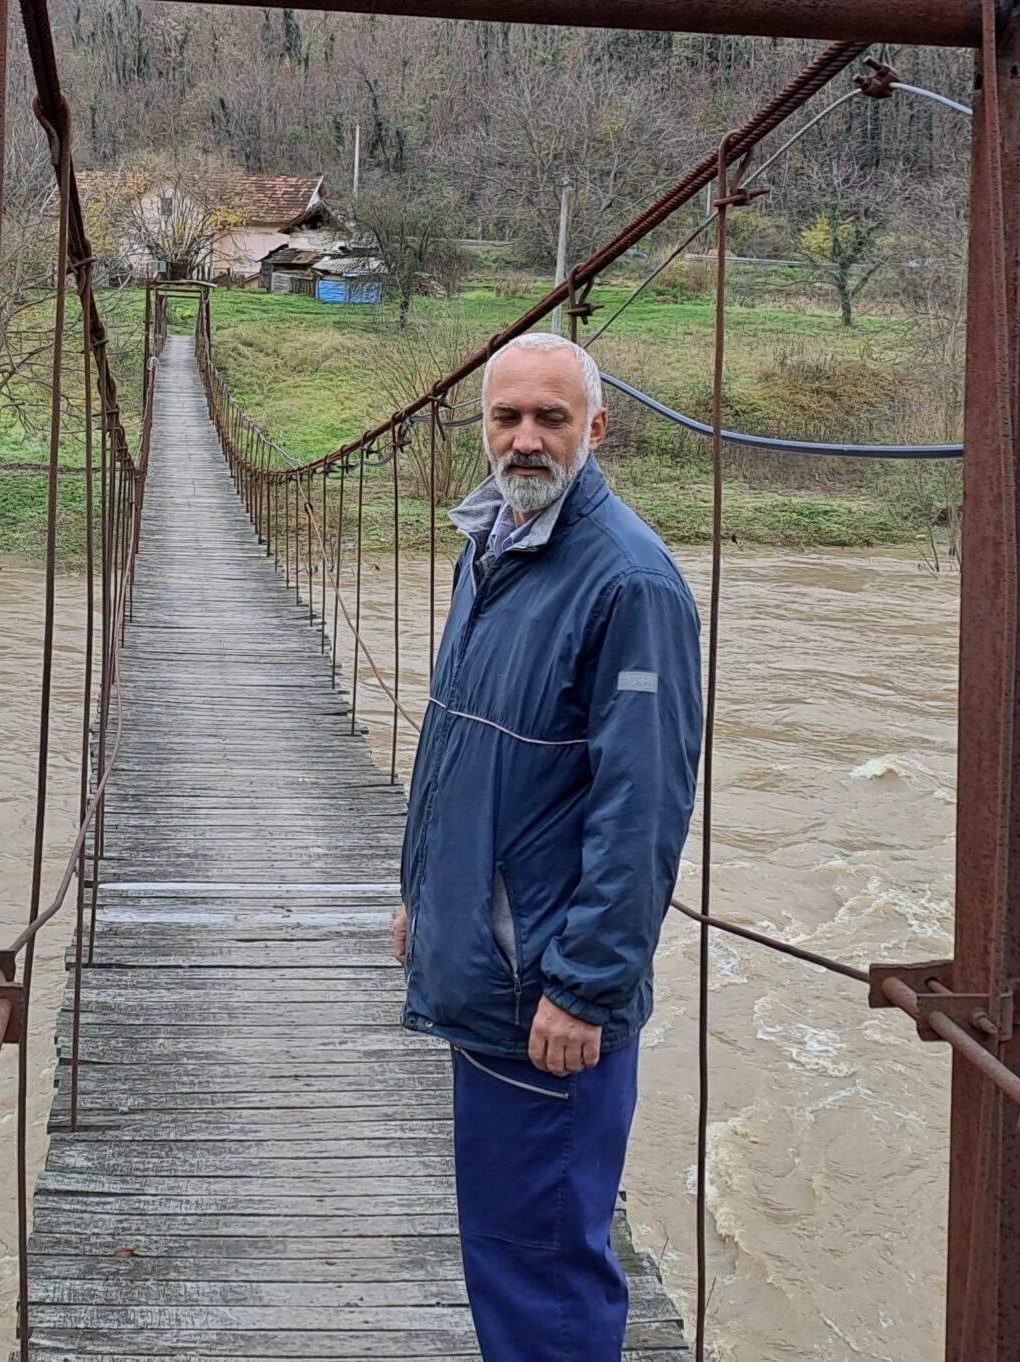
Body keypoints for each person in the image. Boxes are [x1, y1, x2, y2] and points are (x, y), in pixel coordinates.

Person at [392, 330, 703, 1361]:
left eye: (551, 418)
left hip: (546, 996)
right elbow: (457, 742)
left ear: (595, 429)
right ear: (482, 426)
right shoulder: (491, 544)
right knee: (507, 1246)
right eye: (506, 417)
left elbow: (642, 808)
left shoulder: (629, 584)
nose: (525, 438)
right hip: (487, 963)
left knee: (544, 1274)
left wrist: (584, 983)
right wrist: (422, 893)